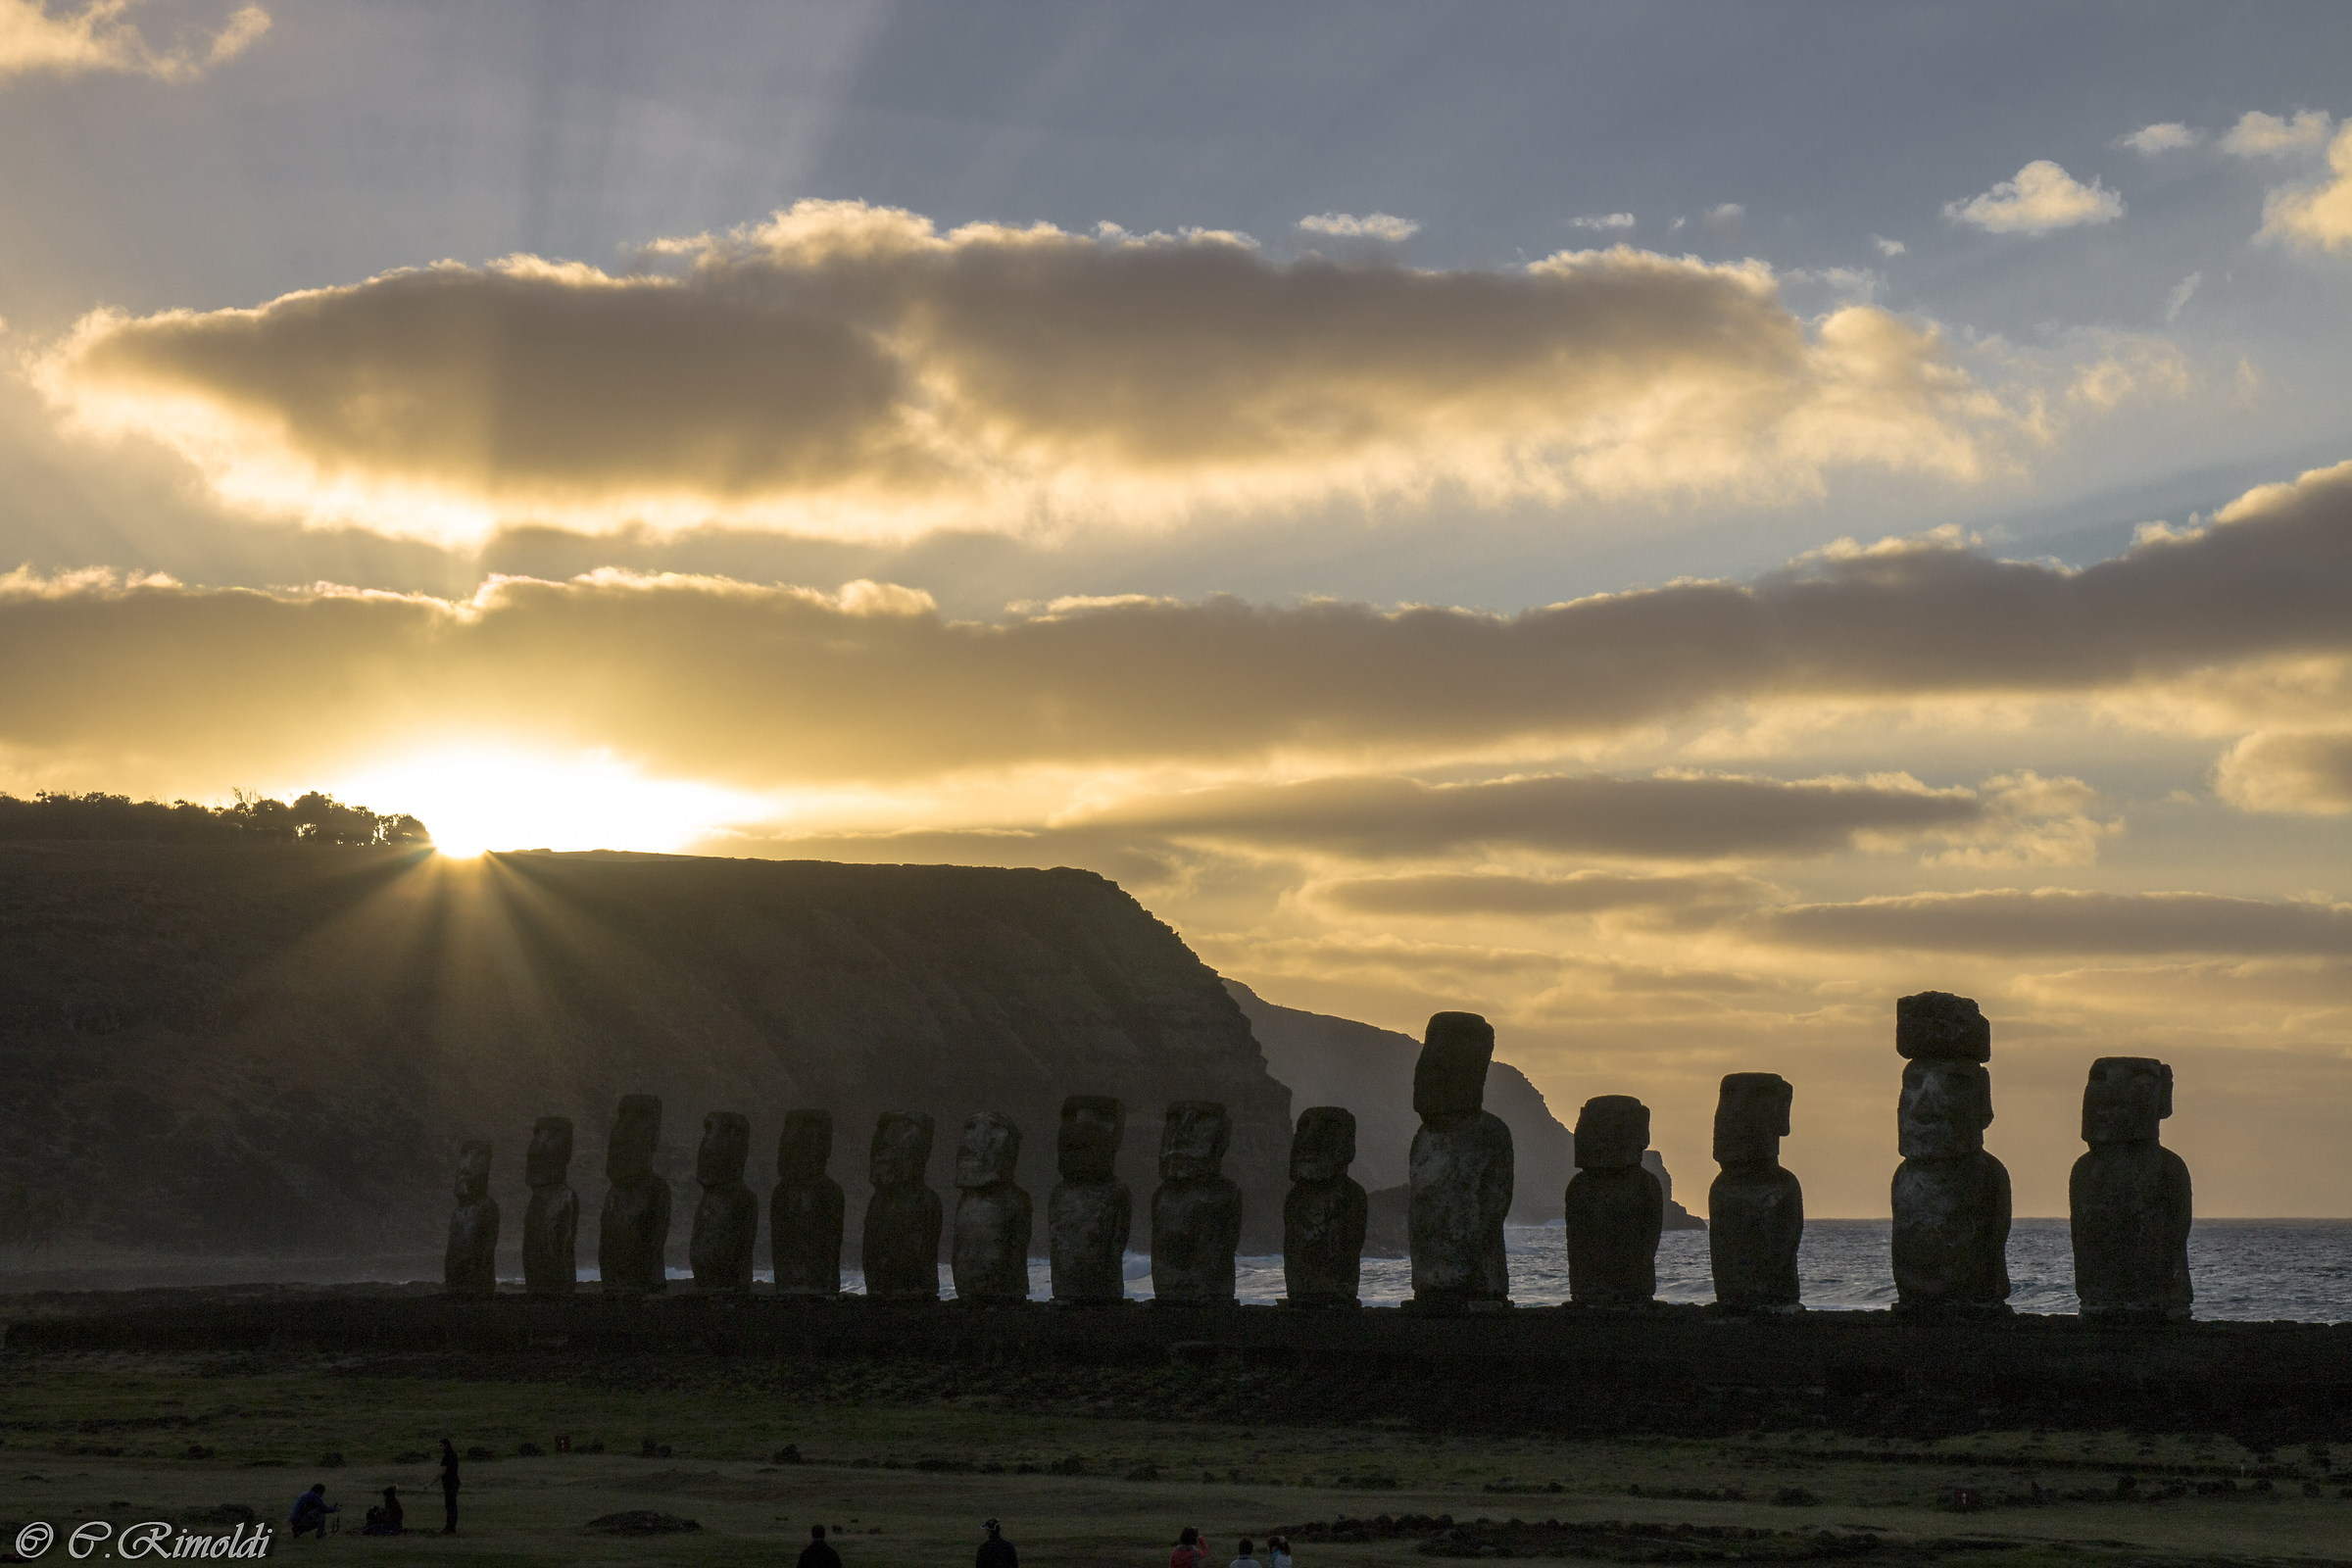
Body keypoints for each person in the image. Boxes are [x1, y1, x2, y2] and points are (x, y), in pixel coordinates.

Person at [437, 1438, 461, 1535]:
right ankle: (451, 1527)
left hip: (449, 1483)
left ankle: (449, 1528)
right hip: (454, 1482)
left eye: (440, 1445)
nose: (439, 1447)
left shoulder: (446, 1457)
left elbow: (442, 1472)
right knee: (452, 1505)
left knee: (450, 1505)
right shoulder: (453, 1455)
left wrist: (430, 1483)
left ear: (445, 1445)